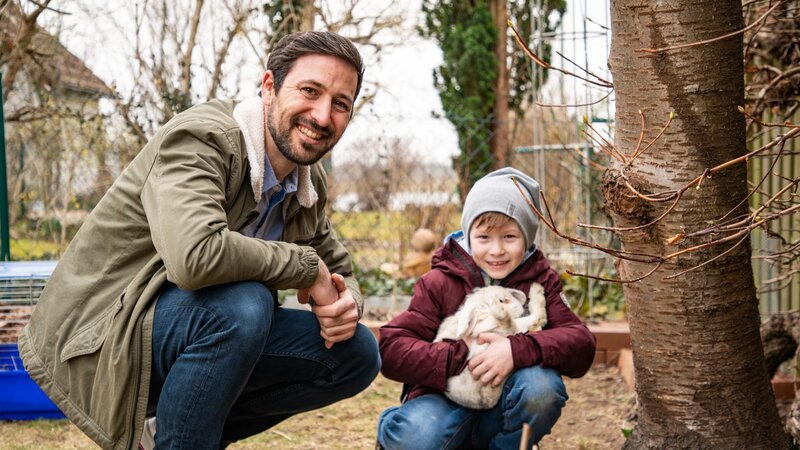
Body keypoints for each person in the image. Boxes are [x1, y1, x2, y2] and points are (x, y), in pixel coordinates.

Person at [19, 31, 380, 449]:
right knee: (244, 304)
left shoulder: (303, 180)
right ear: (269, 87)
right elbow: (195, 257)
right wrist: (305, 267)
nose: (321, 115)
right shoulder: (202, 139)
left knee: (356, 353)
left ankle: (172, 436)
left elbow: (337, 265)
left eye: (340, 104)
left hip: (191, 335)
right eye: (310, 91)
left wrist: (345, 304)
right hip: (101, 338)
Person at [376, 168, 596, 449]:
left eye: (509, 237)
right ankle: (396, 431)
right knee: (417, 437)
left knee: (540, 390)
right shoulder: (439, 281)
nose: (496, 250)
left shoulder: (540, 281)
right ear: (469, 235)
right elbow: (392, 350)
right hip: (443, 400)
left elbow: (581, 344)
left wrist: (515, 350)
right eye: (484, 238)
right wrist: (461, 353)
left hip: (503, 402)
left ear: (527, 238)